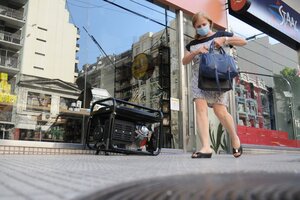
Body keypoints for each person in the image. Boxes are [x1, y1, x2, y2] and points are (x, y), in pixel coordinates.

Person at [182, 12, 247, 158]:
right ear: (195, 28)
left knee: (220, 112)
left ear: (209, 23)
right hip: (199, 79)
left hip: (218, 78)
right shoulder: (192, 44)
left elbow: (244, 42)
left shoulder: (222, 34)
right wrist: (196, 52)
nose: (201, 28)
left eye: (204, 24)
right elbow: (184, 61)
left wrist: (224, 39)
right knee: (200, 107)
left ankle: (234, 138)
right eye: (198, 26)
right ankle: (206, 147)